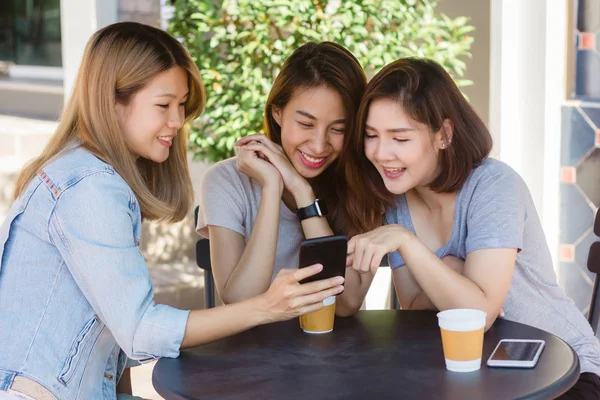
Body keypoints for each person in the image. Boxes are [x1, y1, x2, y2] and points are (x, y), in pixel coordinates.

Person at [0, 22, 343, 400]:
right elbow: (140, 331)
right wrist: (268, 307)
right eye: (164, 106)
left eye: (181, 106)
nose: (178, 122)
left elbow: (116, 343)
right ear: (112, 101)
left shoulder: (87, 174)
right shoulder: (89, 186)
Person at [345, 57, 600, 398]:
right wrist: (454, 271)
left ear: (444, 135)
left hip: (562, 373)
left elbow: (478, 316)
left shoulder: (494, 186)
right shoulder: (397, 200)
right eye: (371, 136)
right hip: (478, 376)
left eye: (400, 138)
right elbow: (416, 310)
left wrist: (409, 244)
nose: (380, 153)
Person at [197, 42, 376, 316]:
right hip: (253, 352)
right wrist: (272, 187)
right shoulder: (225, 180)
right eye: (306, 124)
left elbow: (347, 303)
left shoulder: (361, 184)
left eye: (338, 129)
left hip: (335, 351)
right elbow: (240, 302)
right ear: (277, 112)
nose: (319, 145)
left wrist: (303, 194)